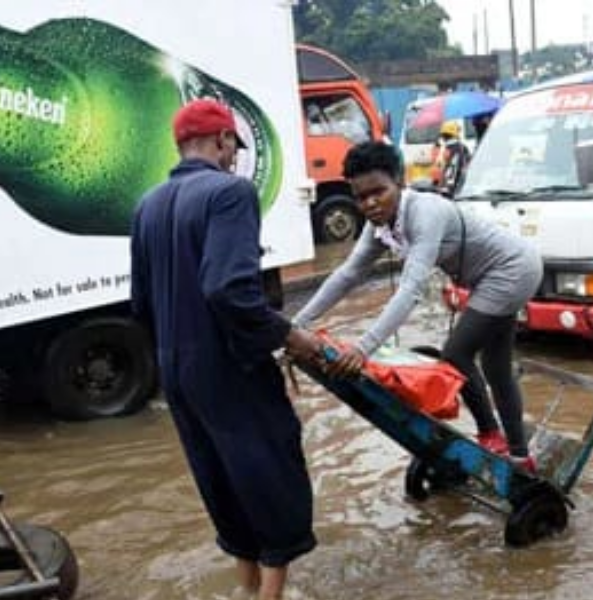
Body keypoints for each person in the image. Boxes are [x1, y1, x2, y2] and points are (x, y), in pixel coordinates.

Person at [129, 98, 325, 600]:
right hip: (228, 365)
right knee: (270, 470)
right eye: (233, 145)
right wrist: (290, 337)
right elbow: (229, 290)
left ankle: (245, 588)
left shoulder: (147, 205)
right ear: (220, 141)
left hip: (177, 370)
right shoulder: (230, 193)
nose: (234, 156)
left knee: (219, 473)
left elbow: (141, 302)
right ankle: (271, 596)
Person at [294, 141, 543, 469]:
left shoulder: (425, 212)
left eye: (378, 192)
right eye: (360, 197)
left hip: (512, 269)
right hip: (490, 277)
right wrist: (295, 325)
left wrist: (363, 349)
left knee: (455, 355)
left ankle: (491, 436)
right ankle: (521, 456)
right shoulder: (379, 225)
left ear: (400, 181)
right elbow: (347, 274)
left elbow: (411, 289)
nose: (369, 204)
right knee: (496, 368)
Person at [435, 120, 471, 198]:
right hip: (457, 188)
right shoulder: (461, 147)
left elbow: (439, 169)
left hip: (447, 189)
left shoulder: (443, 148)